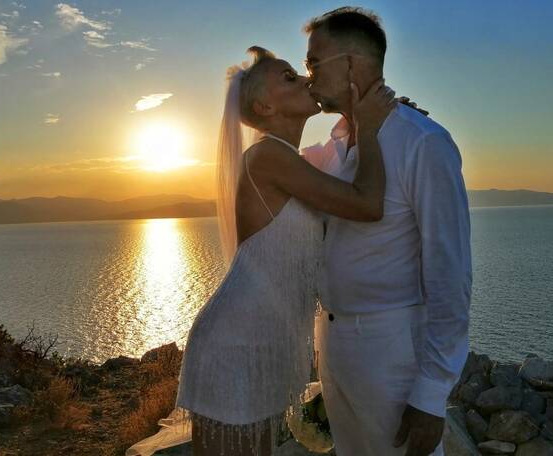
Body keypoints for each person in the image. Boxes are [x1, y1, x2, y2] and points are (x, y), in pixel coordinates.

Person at [127, 46, 396, 456]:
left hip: (261, 342)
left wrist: (370, 124)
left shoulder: (292, 161)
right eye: (289, 77)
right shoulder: (267, 157)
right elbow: (367, 204)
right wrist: (371, 125)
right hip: (235, 344)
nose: (306, 79)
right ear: (265, 106)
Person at [301, 7, 473, 456]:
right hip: (333, 346)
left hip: (391, 351)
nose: (307, 77)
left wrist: (431, 393)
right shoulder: (331, 148)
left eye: (313, 63)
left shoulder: (423, 142)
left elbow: (450, 271)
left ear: (351, 64)